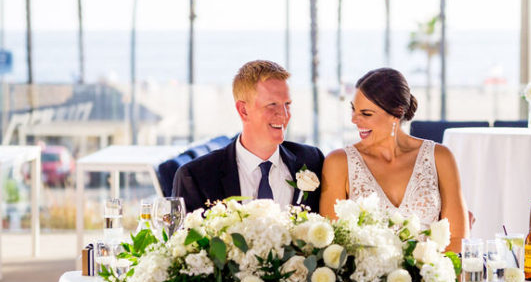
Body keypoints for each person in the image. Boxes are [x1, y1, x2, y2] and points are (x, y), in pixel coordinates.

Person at [319, 67, 469, 252]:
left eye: (366, 114)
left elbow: (457, 240)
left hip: (433, 277)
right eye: (353, 110)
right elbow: (332, 246)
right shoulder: (339, 162)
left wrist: (435, 277)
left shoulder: (440, 157)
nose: (354, 120)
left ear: (397, 113)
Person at [173, 60, 324, 212]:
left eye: (287, 104)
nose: (284, 115)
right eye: (272, 104)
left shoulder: (312, 160)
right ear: (243, 110)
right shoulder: (196, 176)